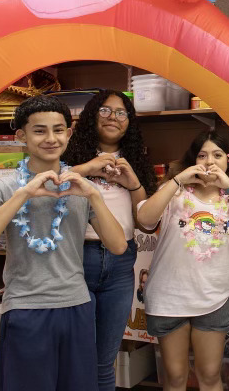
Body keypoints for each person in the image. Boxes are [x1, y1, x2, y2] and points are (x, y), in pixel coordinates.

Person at [0, 95, 127, 391]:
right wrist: (23, 195)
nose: (51, 138)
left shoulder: (79, 188)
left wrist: (95, 197)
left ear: (69, 133)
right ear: (21, 136)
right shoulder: (5, 188)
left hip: (77, 306)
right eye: (39, 131)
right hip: (26, 309)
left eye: (59, 129)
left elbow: (117, 246)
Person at [136, 130, 229, 391]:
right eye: (202, 155)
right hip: (170, 298)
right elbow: (145, 219)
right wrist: (177, 180)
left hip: (214, 298)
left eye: (217, 155)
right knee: (175, 376)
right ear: (193, 160)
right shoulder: (174, 194)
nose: (209, 161)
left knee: (210, 375)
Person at [62, 89, 157, 391]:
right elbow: (49, 185)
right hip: (78, 257)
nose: (113, 117)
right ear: (92, 114)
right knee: (78, 355)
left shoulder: (134, 160)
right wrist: (89, 168)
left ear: (129, 122)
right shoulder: (69, 154)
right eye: (105, 110)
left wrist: (133, 184)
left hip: (120, 262)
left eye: (121, 112)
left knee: (106, 359)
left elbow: (145, 219)